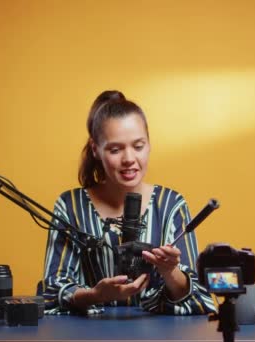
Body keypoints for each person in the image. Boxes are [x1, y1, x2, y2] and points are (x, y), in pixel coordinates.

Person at [39, 90, 216, 315]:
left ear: (149, 144)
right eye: (115, 149)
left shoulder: (172, 205)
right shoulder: (70, 205)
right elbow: (52, 292)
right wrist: (96, 295)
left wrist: (171, 272)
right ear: (96, 149)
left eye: (138, 146)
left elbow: (199, 300)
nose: (129, 159)